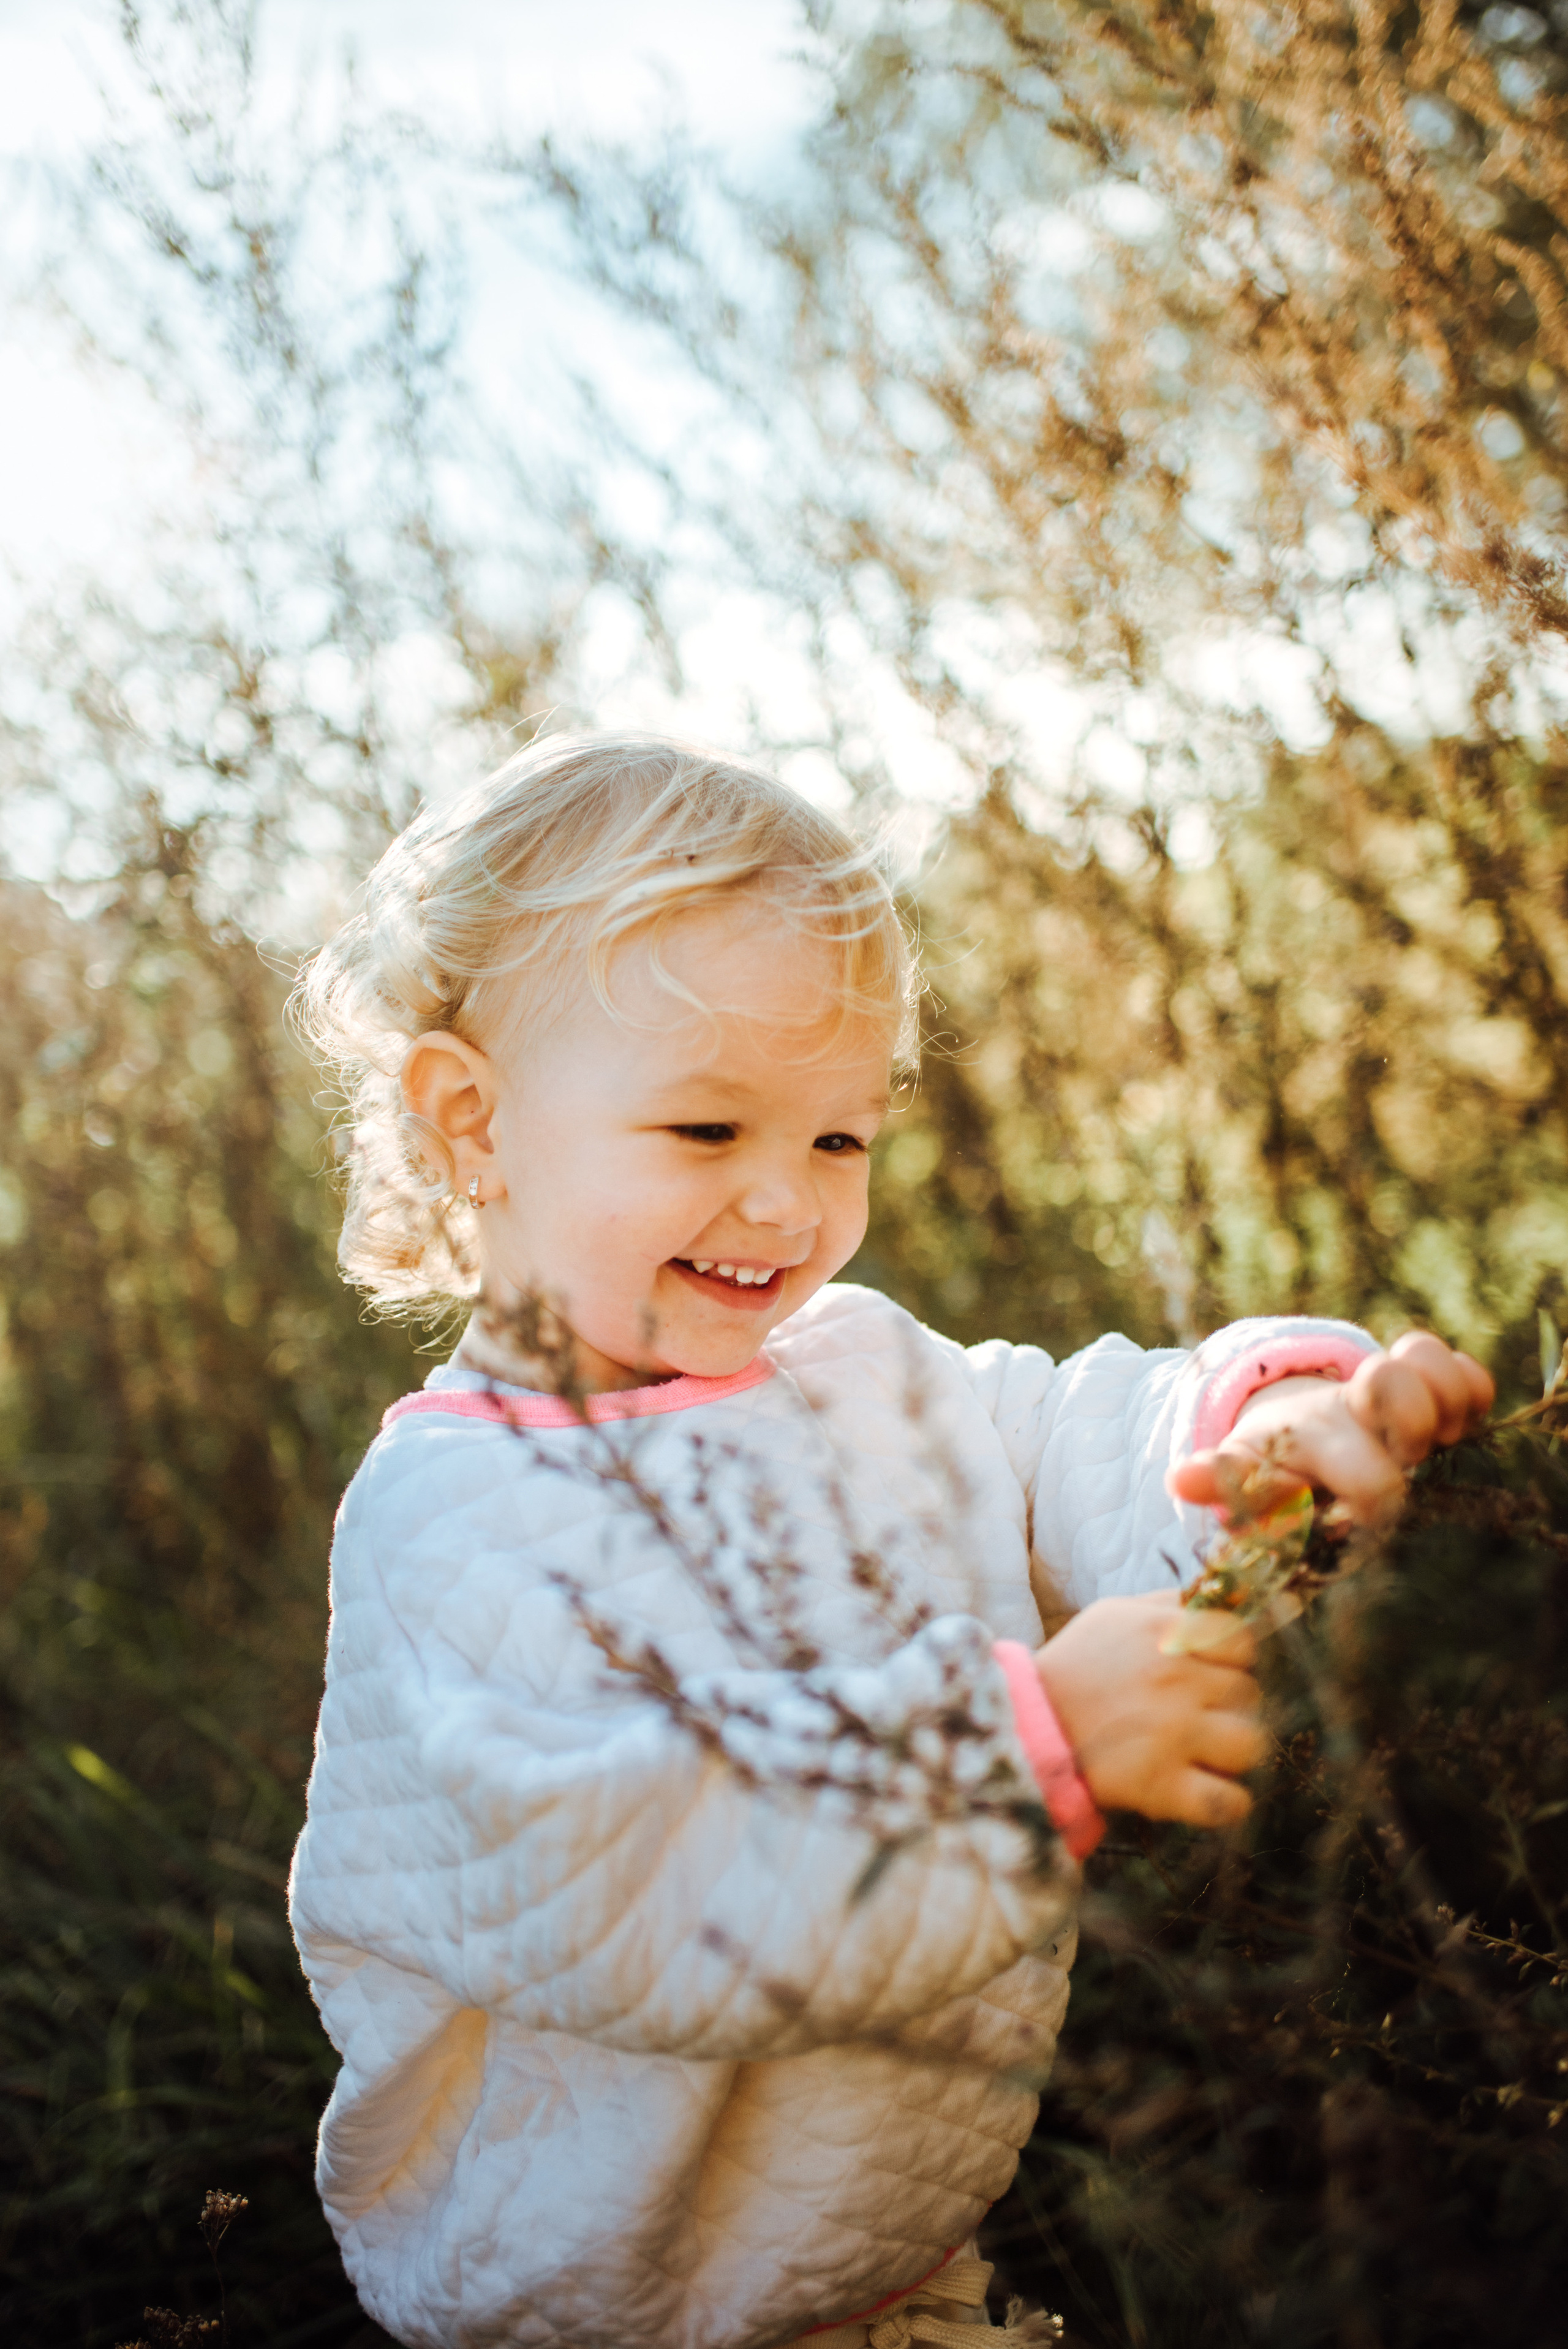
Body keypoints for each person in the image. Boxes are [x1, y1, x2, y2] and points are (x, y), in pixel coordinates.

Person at [288, 734, 1493, 2349]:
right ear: (471, 1121)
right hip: (604, 2317)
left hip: (894, 2271)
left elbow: (1060, 1435)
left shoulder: (854, 1370)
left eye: (838, 1139)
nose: (789, 1206)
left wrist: (1265, 1427)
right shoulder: (459, 1519)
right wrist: (1026, 1748)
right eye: (707, 1131)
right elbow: (632, 1861)